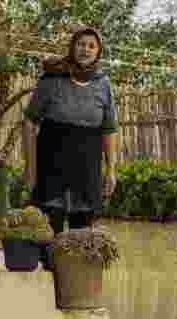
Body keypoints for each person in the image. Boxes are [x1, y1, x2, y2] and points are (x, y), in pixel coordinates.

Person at [22, 26, 119, 239]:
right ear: (72, 47)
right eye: (81, 44)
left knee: (82, 233)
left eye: (92, 46)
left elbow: (109, 129)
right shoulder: (52, 79)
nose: (86, 49)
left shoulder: (103, 84)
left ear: (98, 52)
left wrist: (111, 169)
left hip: (87, 167)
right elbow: (29, 122)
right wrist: (30, 167)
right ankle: (48, 269)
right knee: (48, 227)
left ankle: (74, 272)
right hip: (52, 163)